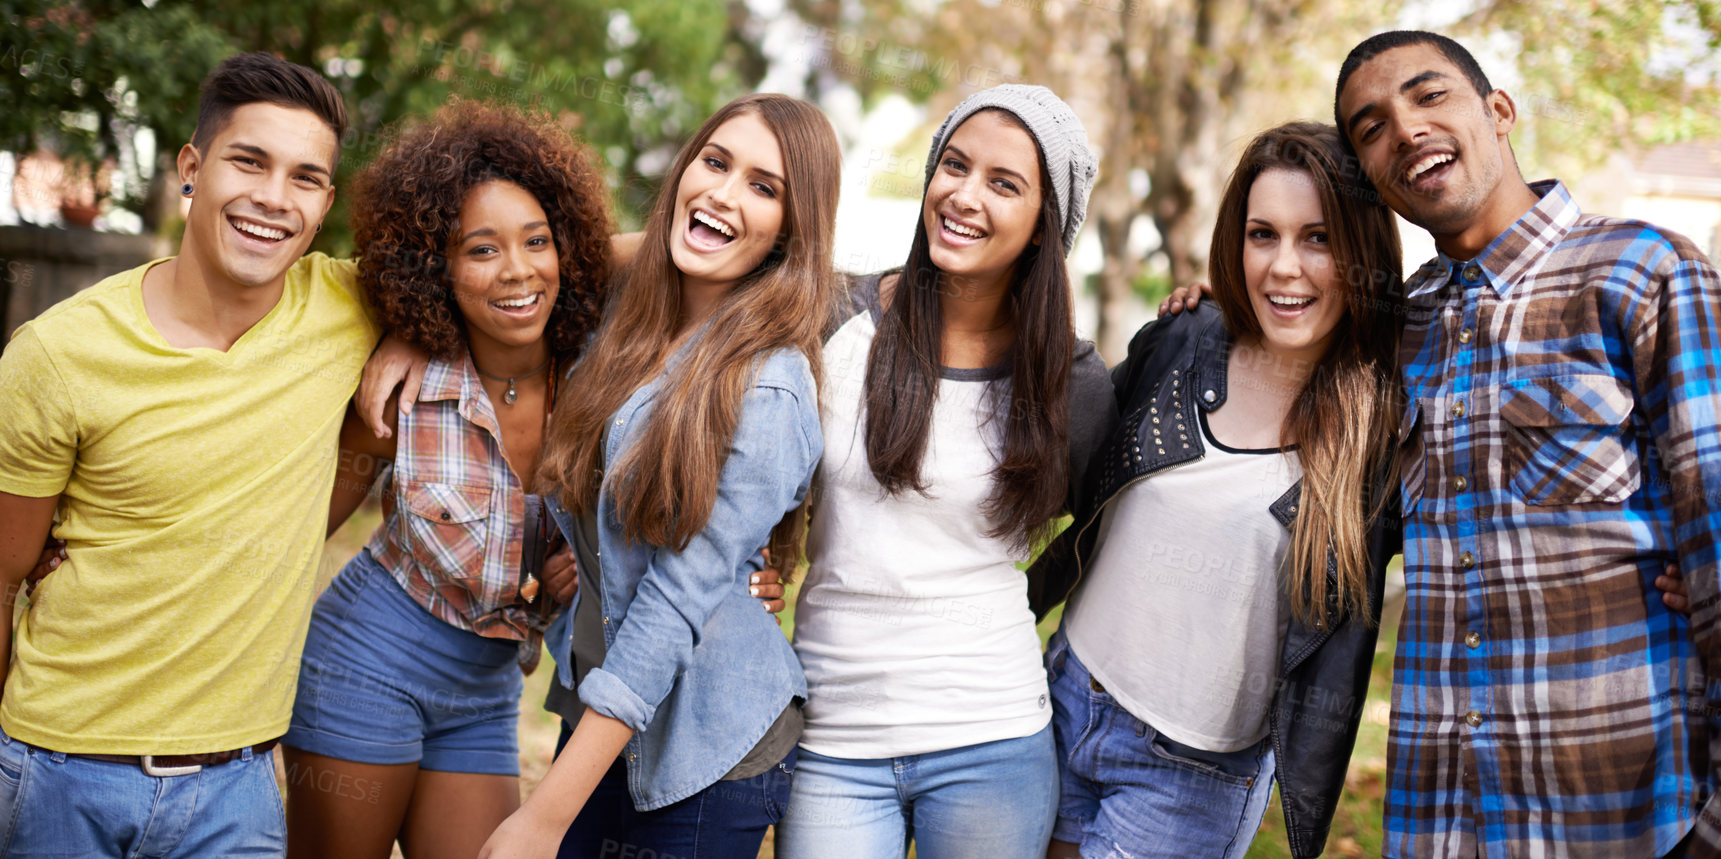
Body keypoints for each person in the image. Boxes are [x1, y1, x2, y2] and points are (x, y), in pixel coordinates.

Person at [1331, 30, 1721, 859]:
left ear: (1499, 110)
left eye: (1427, 94)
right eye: (1369, 128)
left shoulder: (1641, 272)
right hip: (1446, 816)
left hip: (1631, 816)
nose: (1403, 129)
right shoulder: (1396, 329)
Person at [0, 53, 377, 856]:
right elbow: (3, 574)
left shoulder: (348, 308)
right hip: (59, 772)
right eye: (249, 161)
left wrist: (708, 245)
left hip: (237, 790)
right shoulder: (58, 354)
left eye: (305, 178)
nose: (274, 198)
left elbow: (537, 262)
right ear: (192, 168)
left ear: (325, 203)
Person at [472, 93, 842, 859]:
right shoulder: (624, 326)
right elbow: (526, 261)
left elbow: (672, 604)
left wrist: (542, 816)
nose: (723, 192)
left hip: (706, 748)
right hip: (604, 716)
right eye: (713, 162)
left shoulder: (769, 386)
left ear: (791, 229)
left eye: (763, 187)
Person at [1027, 121, 1404, 859]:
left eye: (1318, 238)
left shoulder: (1385, 425)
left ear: (1360, 250)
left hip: (1191, 773)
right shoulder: (1183, 337)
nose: (1283, 267)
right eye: (1262, 234)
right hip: (1066, 693)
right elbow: (1073, 465)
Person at [774, 84, 1117, 859]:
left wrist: (1029, 599)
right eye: (953, 166)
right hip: (833, 733)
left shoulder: (1070, 380)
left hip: (992, 737)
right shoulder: (832, 317)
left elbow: (1108, 532)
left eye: (1004, 183)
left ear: (1042, 227)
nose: (964, 195)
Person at [280, 101, 614, 859]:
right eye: (481, 250)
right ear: (439, 268)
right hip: (367, 660)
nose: (518, 270)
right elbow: (300, 532)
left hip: (488, 685)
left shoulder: (600, 379)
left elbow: (670, 257)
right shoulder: (402, 390)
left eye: (537, 241)